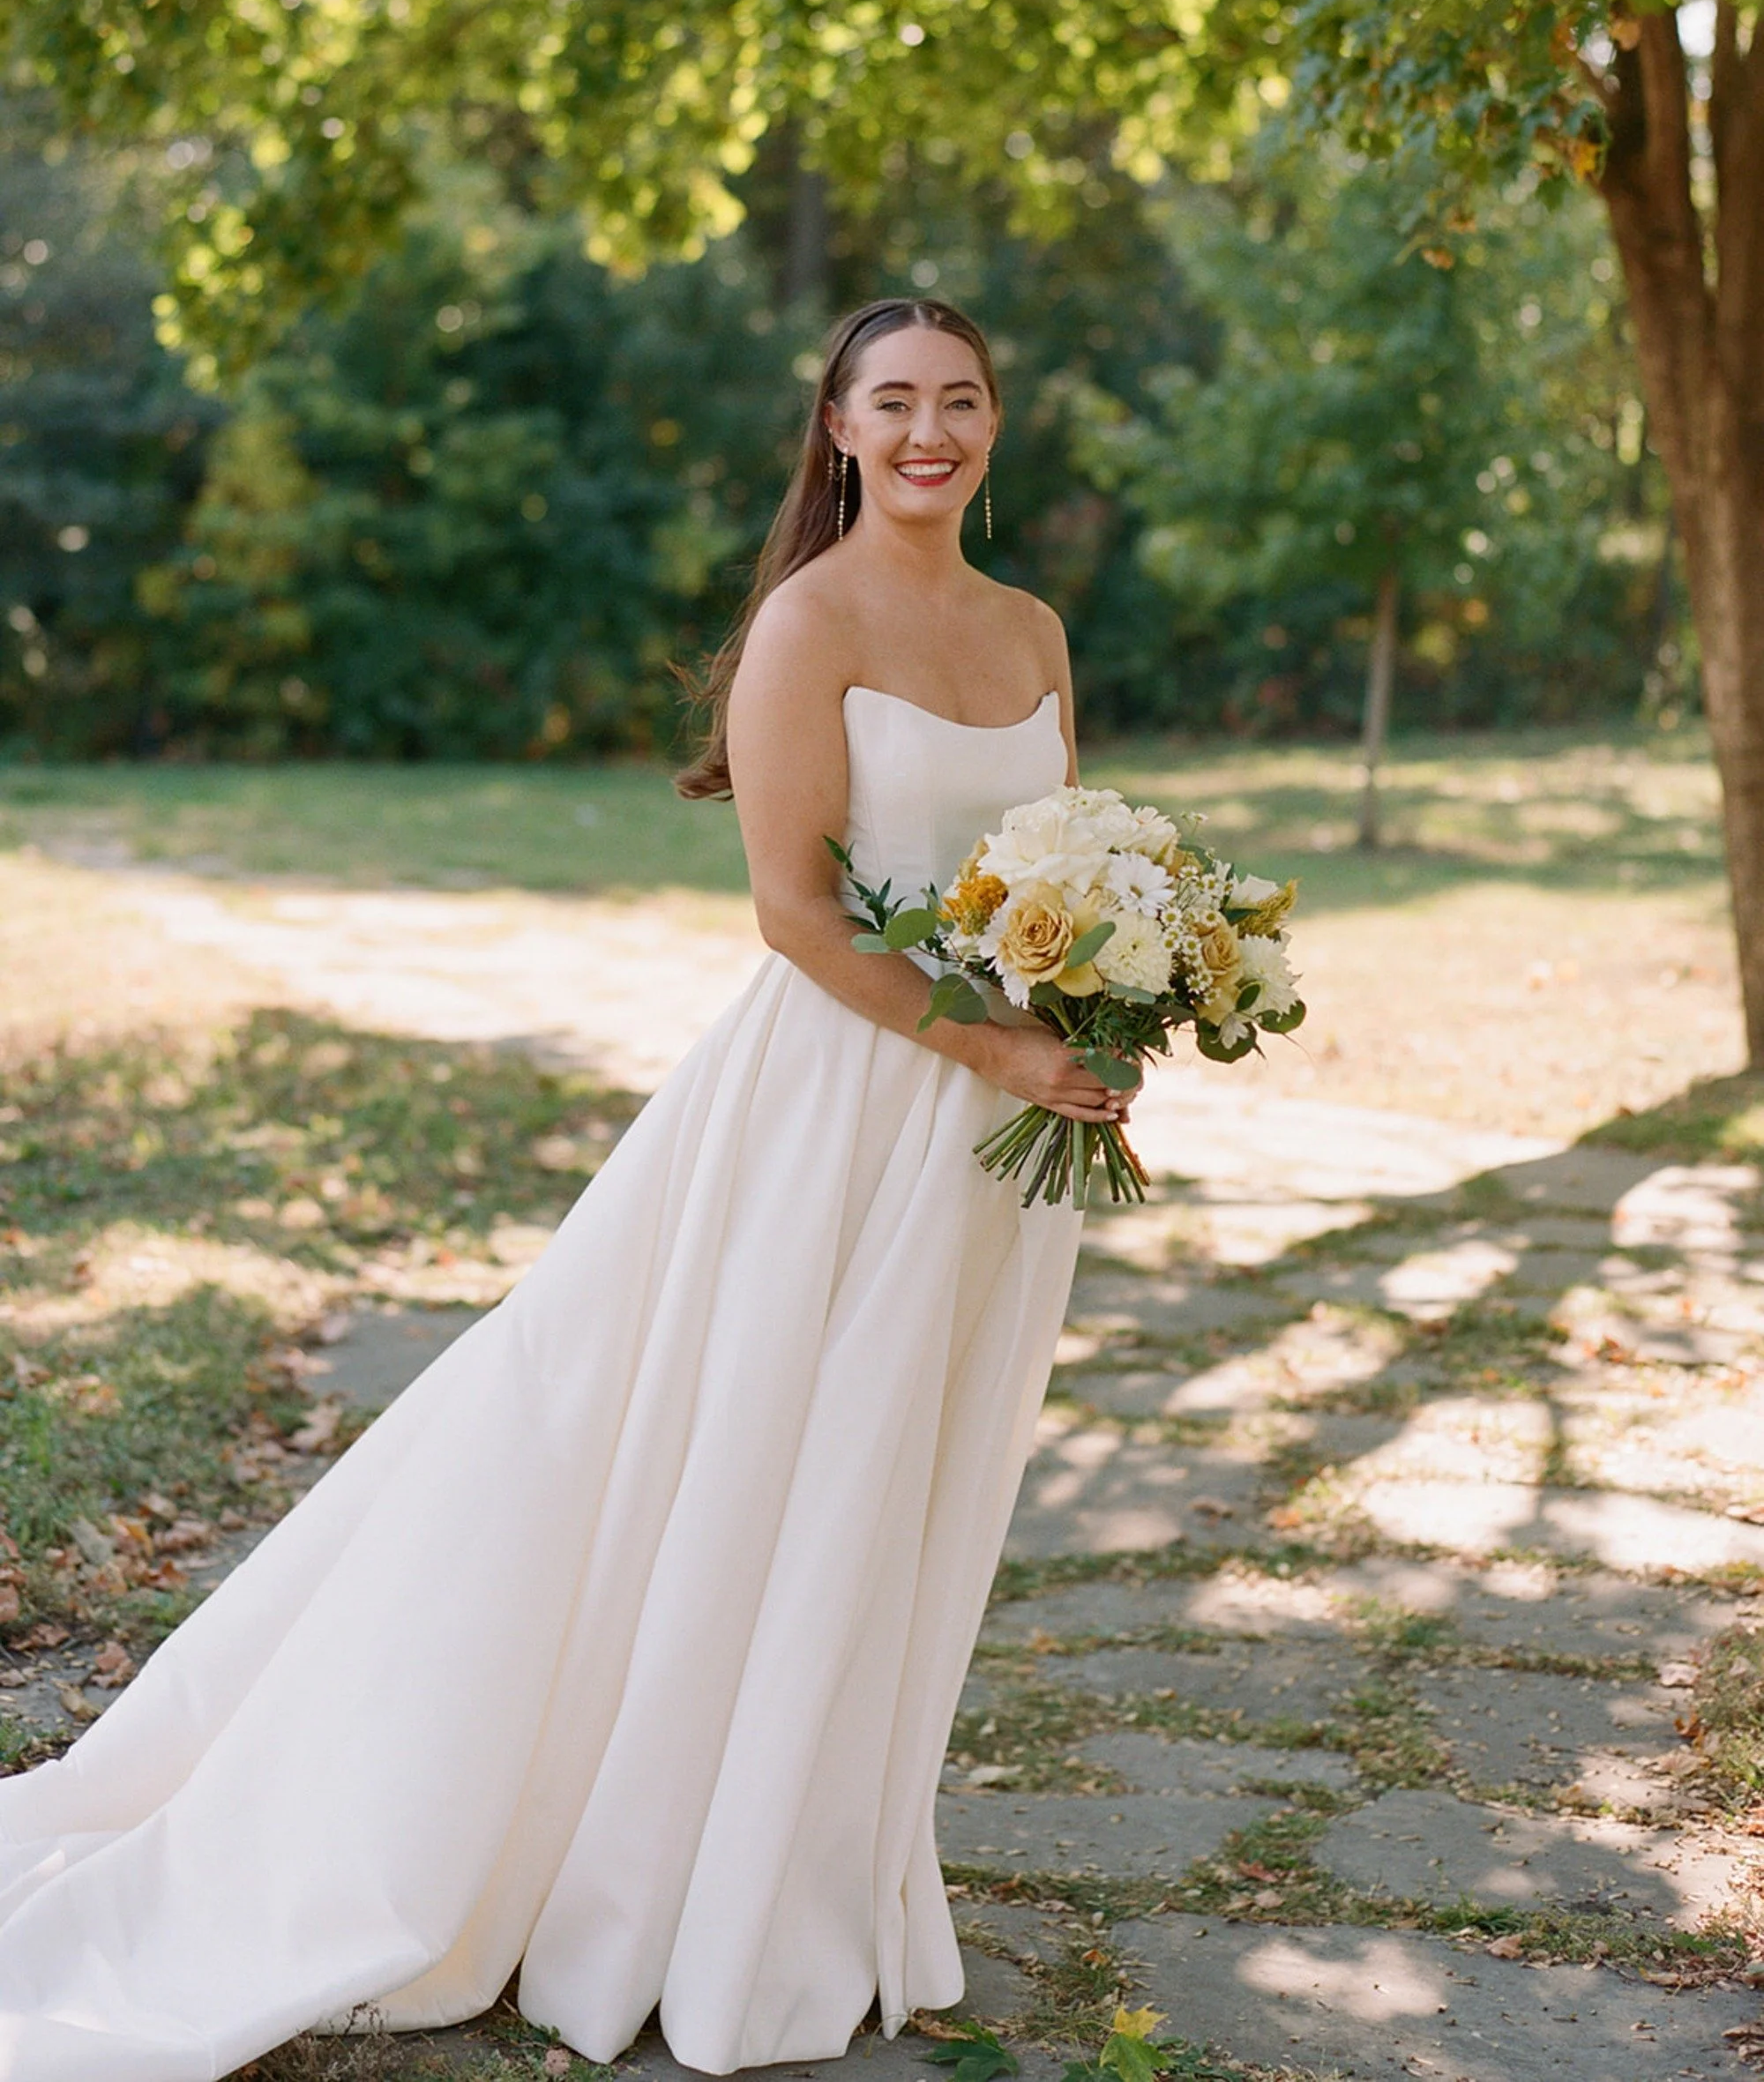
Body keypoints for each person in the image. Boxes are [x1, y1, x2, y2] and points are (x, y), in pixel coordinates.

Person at [0, 296, 1130, 2079]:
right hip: (836, 1103)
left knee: (901, 1477)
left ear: (996, 423)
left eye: (962, 399)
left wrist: (1107, 997)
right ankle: (653, 1878)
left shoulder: (1032, 626)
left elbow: (1064, 858)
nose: (932, 429)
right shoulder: (805, 623)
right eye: (893, 400)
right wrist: (982, 1045)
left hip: (991, 1136)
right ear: (836, 428)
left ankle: (810, 1864)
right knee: (734, 1451)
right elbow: (795, 912)